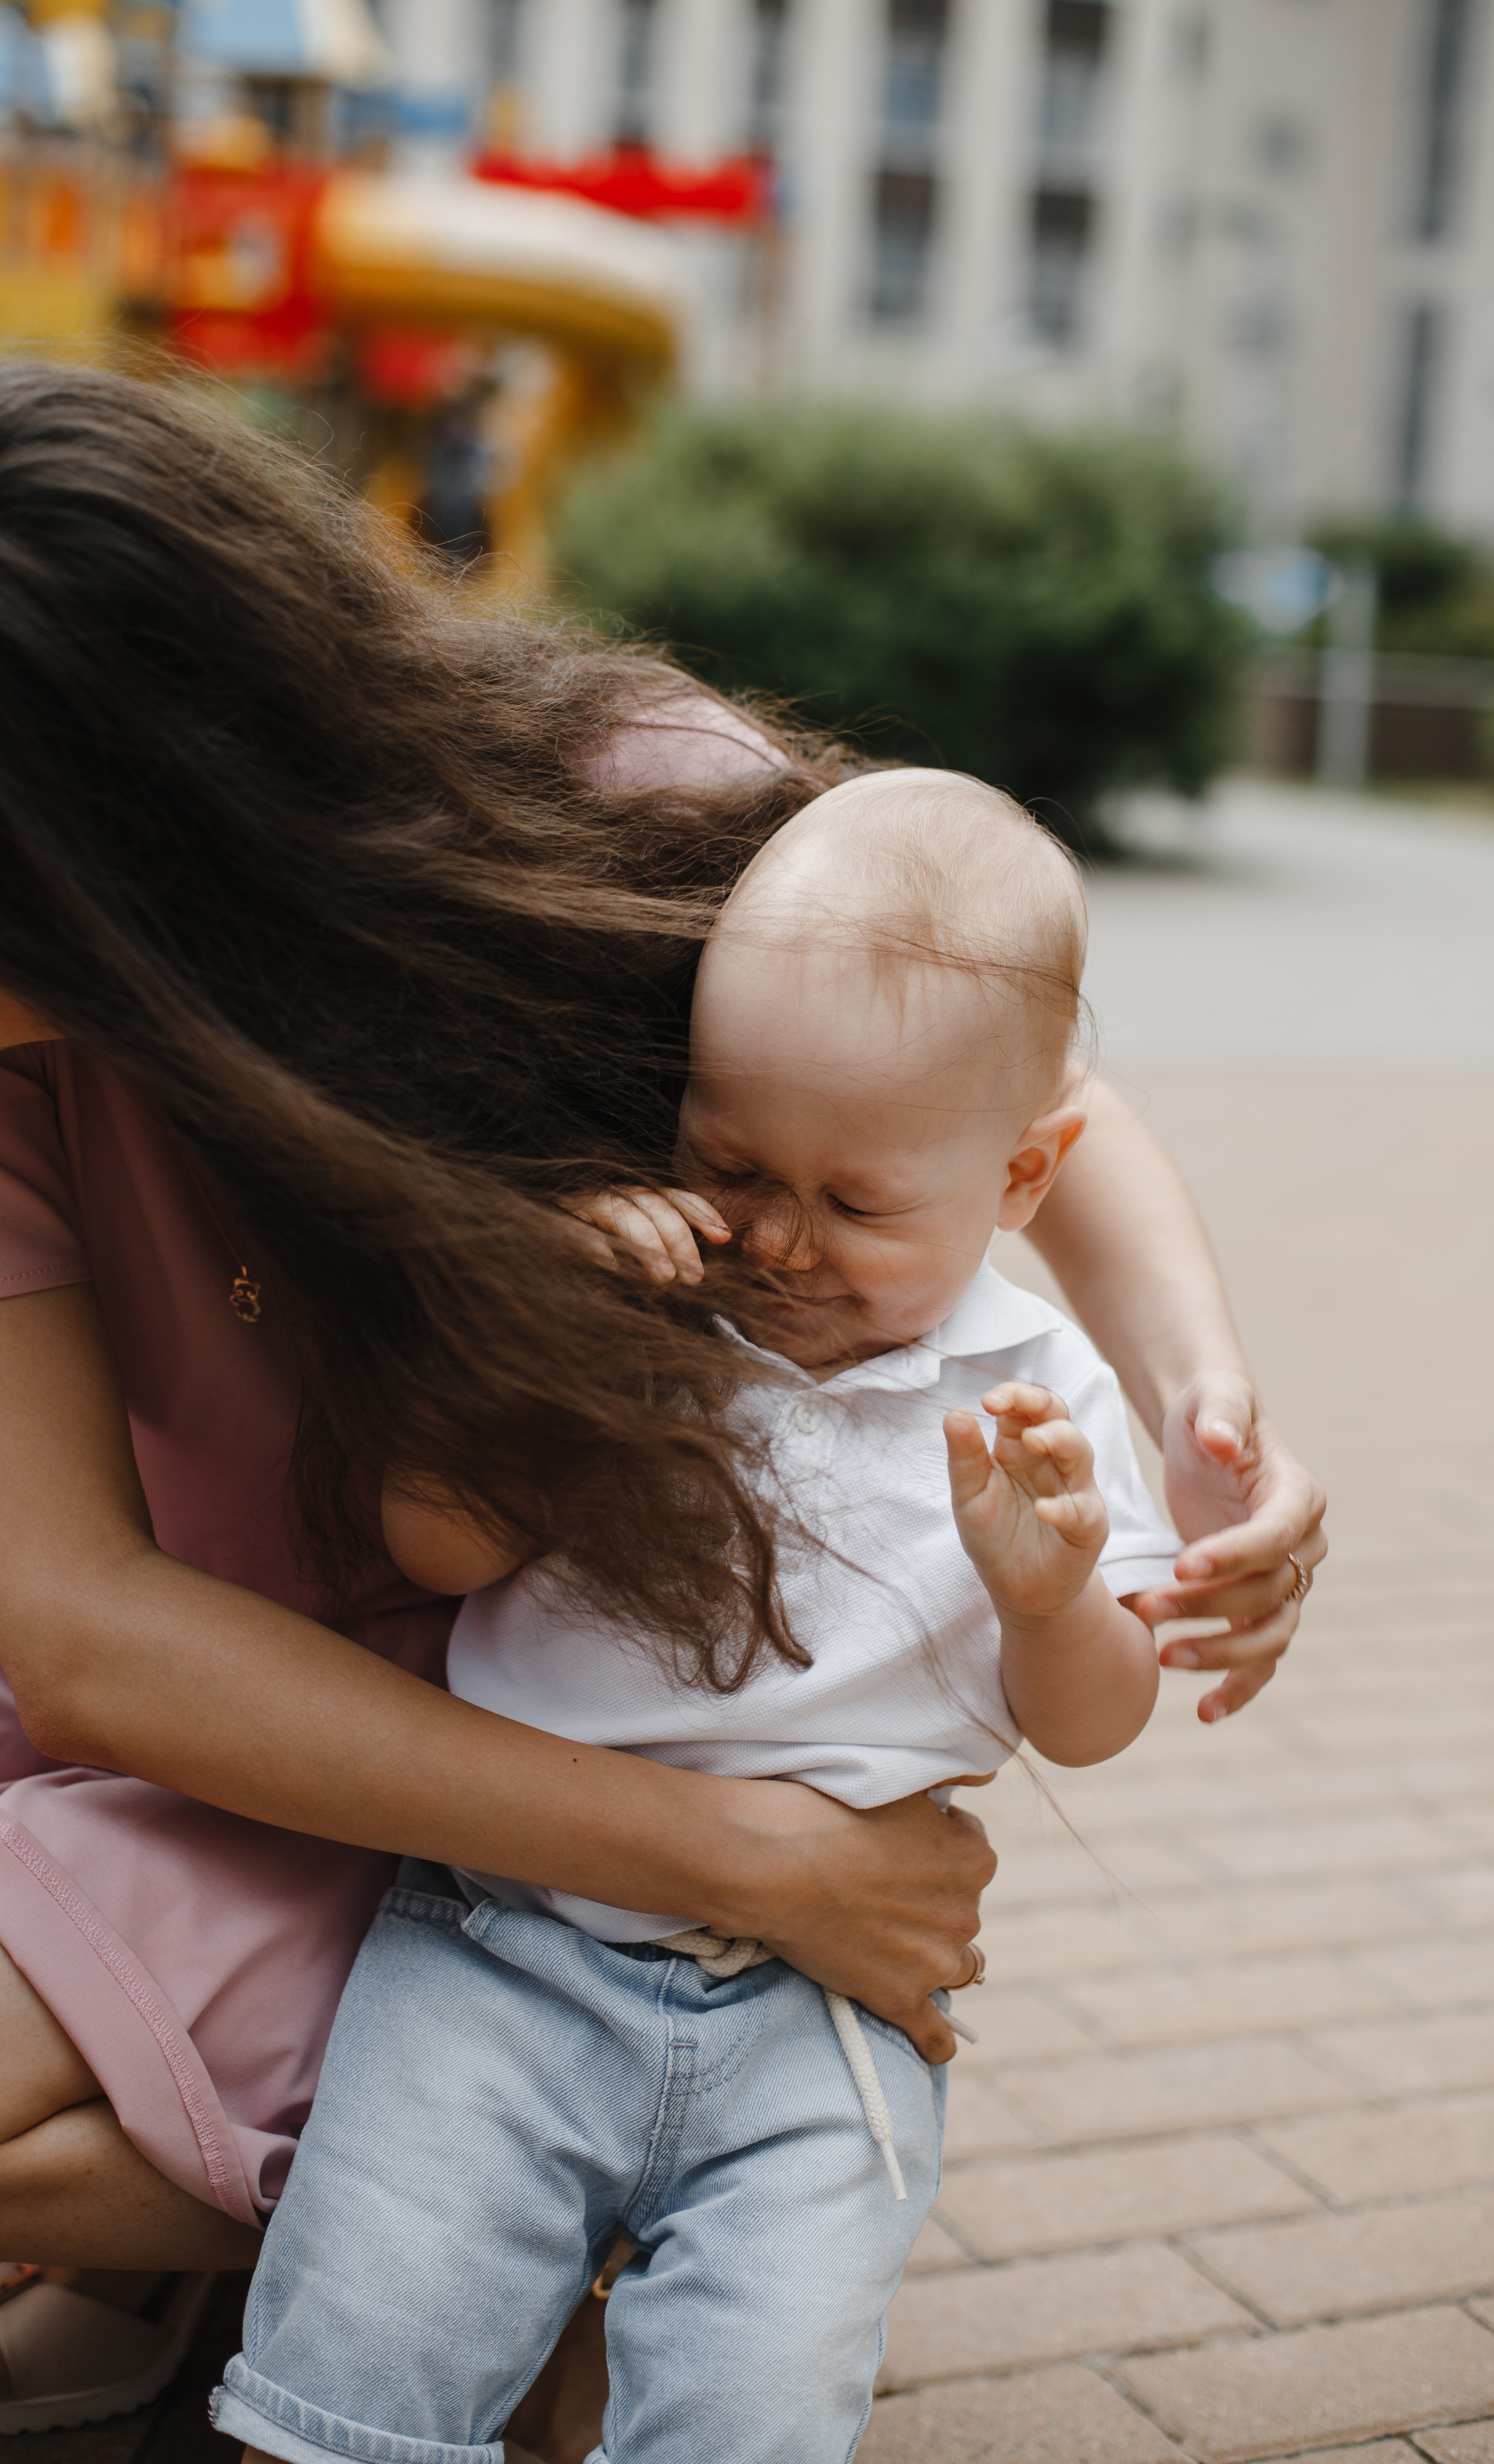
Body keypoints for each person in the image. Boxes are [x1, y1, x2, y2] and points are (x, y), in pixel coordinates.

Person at [0, 361, 1324, 2450]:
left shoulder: (610, 801)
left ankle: (481, 2215)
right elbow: (86, 1637)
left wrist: (1202, 1412)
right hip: (229, 1701)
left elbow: (1008, 1084)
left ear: (104, 849)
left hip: (529, 1729)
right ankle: (463, 2233)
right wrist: (756, 1866)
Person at [216, 769, 1192, 2464]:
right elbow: (432, 1545)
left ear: (1024, 1176)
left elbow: (1099, 1721)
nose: (777, 1238)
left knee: (758, 2401)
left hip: (823, 2017)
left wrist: (1048, 1597)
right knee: (357, 2362)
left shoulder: (1044, 1395)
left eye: (859, 1203)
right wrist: (553, 1353)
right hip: (502, 1956)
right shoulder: (646, 1298)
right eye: (730, 1156)